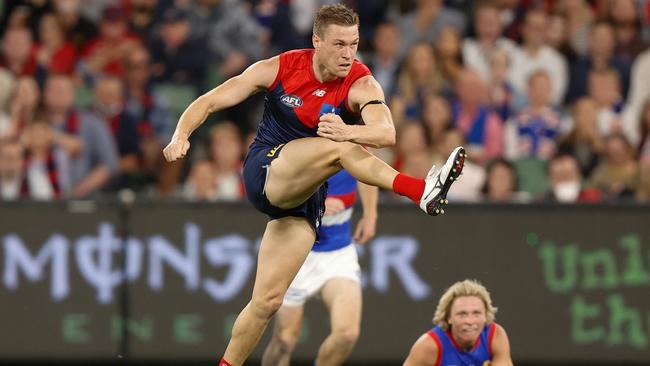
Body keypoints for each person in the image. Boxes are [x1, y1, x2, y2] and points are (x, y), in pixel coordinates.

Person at [162, 5, 466, 366]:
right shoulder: (280, 67)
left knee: (267, 302)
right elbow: (211, 100)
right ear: (316, 41)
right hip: (267, 169)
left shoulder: (361, 81)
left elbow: (386, 132)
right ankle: (420, 190)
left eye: (353, 44)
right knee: (342, 148)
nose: (348, 53)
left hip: (304, 198)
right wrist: (182, 134)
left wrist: (349, 129)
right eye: (339, 44)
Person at [261, 170, 377, 366]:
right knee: (284, 341)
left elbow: (371, 169)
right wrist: (316, 204)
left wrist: (370, 215)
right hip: (296, 252)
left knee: (347, 333)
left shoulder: (354, 141)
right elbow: (271, 193)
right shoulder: (296, 141)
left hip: (338, 252)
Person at [403, 279, 513, 366]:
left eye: (476, 313)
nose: (470, 321)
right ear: (448, 317)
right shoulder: (428, 346)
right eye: (462, 314)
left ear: (485, 316)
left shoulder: (495, 336)